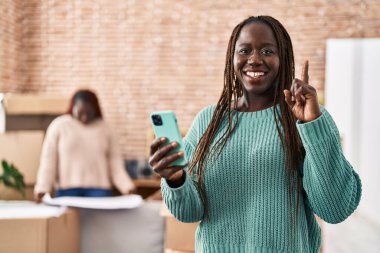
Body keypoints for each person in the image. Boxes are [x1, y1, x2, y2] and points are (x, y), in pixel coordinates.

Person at [149, 16, 361, 253]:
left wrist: (313, 124)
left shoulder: (302, 120)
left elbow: (336, 208)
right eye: (245, 50)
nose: (255, 59)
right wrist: (175, 178)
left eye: (267, 51)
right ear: (233, 58)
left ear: (284, 59)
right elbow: (188, 213)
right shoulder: (209, 121)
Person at [35, 89, 135, 202]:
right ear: (73, 108)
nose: (84, 117)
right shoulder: (59, 126)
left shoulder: (106, 129)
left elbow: (115, 164)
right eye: (81, 112)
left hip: (99, 192)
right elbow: (48, 162)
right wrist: (42, 188)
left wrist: (127, 188)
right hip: (67, 191)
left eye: (89, 113)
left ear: (96, 110)